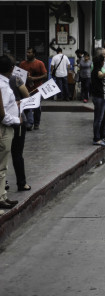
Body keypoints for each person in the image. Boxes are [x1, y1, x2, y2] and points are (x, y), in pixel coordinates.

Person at [0, 55, 21, 209]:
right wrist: (16, 120)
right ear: (11, 69)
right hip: (4, 128)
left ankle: (2, 196)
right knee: (1, 165)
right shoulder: (2, 85)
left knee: (3, 166)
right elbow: (2, 113)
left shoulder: (4, 83)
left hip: (7, 127)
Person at [9, 64, 30, 192]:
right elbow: (27, 95)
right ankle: (21, 183)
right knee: (17, 153)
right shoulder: (16, 79)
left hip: (3, 121)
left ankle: (3, 182)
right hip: (17, 119)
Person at [19, 47, 46, 130]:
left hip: (37, 89)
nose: (27, 54)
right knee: (27, 106)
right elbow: (19, 75)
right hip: (26, 89)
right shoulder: (23, 64)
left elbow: (45, 75)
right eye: (27, 52)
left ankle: (36, 123)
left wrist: (34, 79)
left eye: (29, 52)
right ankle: (29, 123)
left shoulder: (39, 63)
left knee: (37, 107)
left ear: (34, 54)